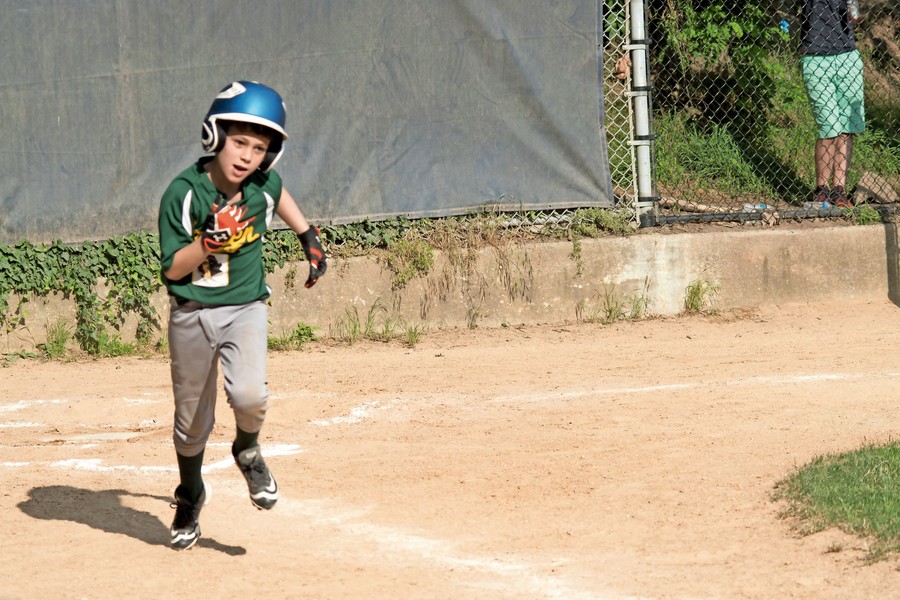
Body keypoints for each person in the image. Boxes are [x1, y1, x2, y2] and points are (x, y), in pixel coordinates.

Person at [157, 80, 327, 550]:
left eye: (259, 147)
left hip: (245, 307)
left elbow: (279, 193)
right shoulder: (184, 194)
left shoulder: (261, 184)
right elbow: (173, 267)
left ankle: (246, 448)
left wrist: (307, 235)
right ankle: (190, 492)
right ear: (215, 136)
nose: (248, 155)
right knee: (191, 422)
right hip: (191, 314)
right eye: (239, 142)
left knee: (250, 395)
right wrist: (207, 243)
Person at [799, 0, 865, 208]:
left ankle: (839, 190)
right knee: (829, 128)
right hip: (816, 57)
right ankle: (821, 189)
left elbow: (854, 15)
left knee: (846, 128)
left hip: (848, 56)